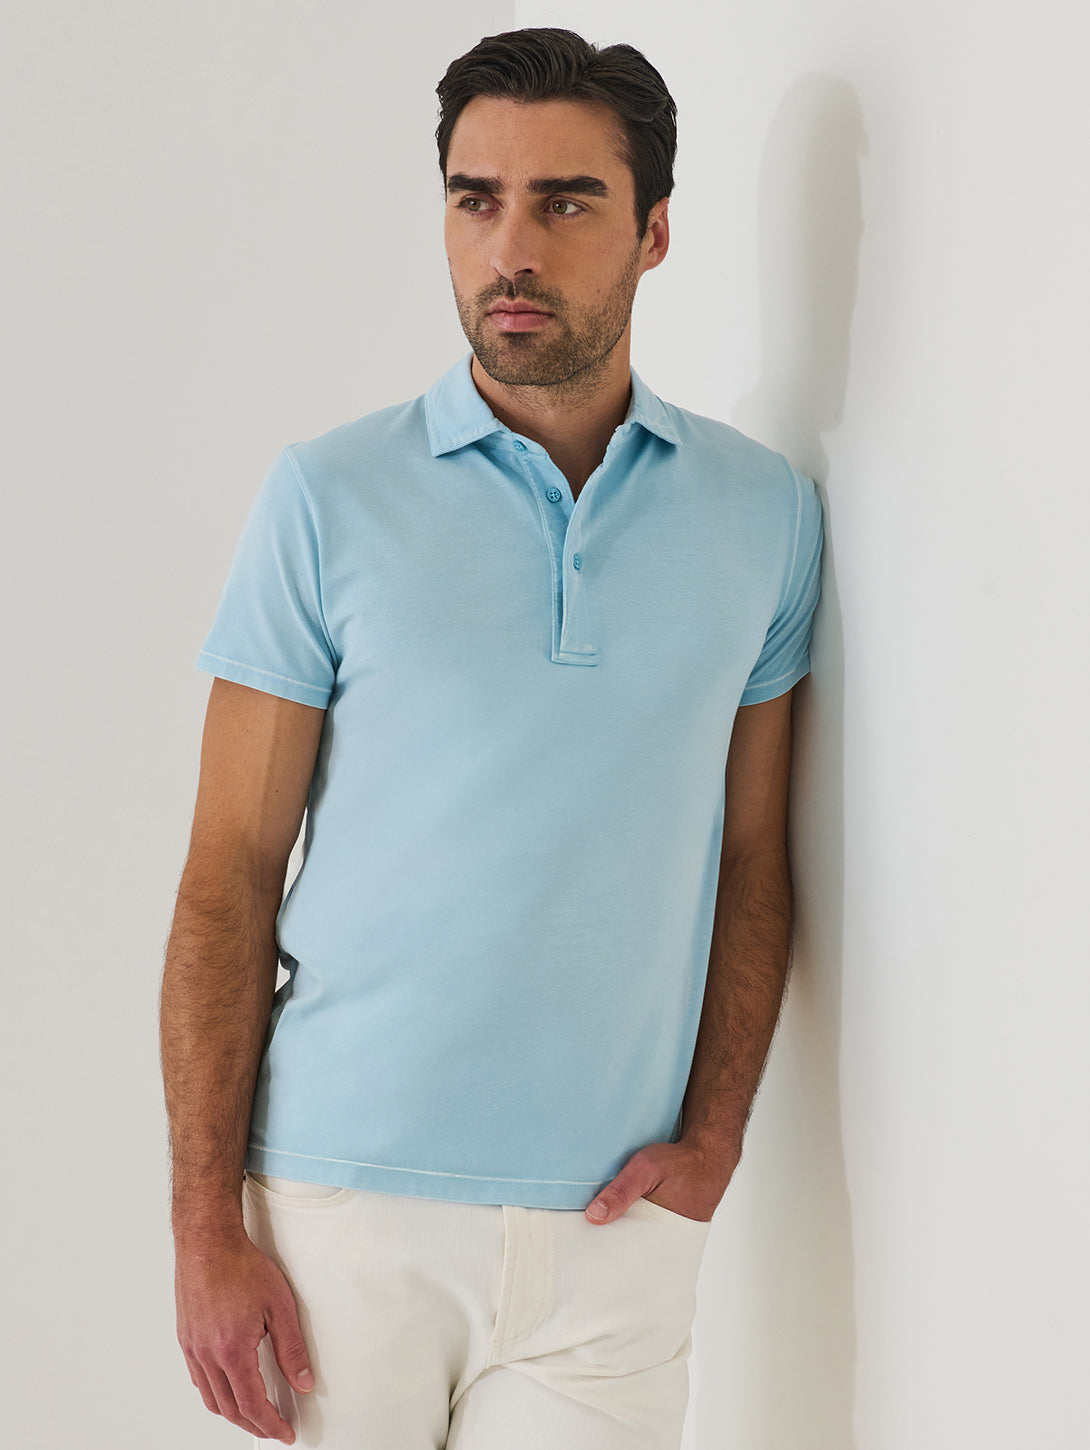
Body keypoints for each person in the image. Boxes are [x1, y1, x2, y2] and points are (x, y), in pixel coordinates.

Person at [160, 25, 823, 1450]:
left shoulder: (763, 514)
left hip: (613, 1233)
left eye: (564, 202)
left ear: (652, 232)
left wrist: (713, 1140)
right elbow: (229, 871)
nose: (510, 249)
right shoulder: (327, 497)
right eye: (477, 200)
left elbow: (754, 857)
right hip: (339, 1216)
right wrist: (205, 1225)